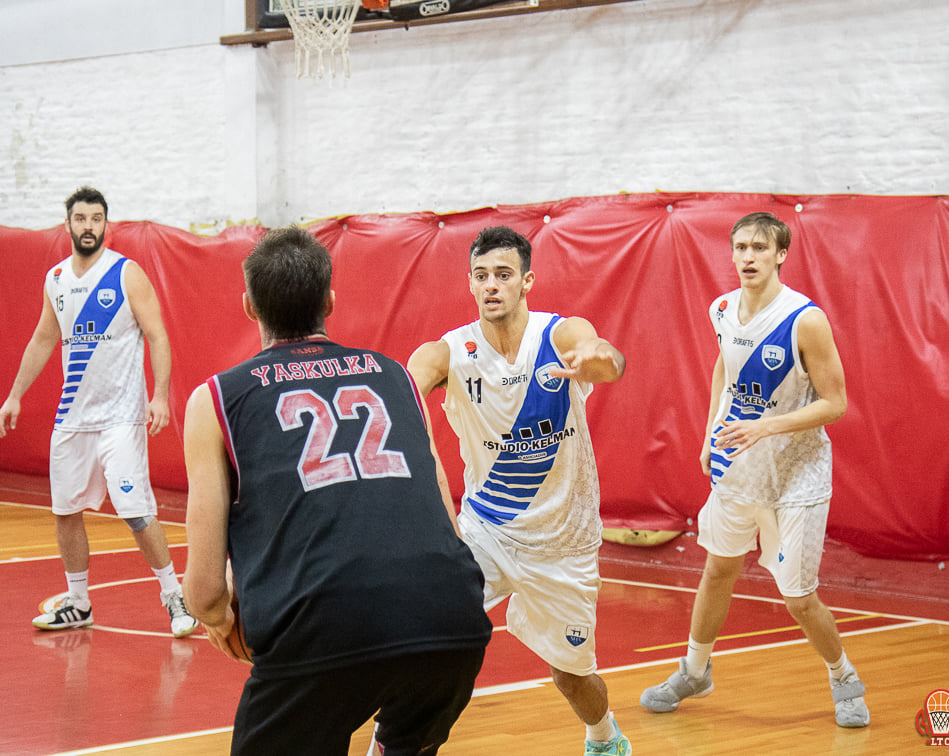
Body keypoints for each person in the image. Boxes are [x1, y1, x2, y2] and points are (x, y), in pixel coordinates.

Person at [181, 226, 492, 756]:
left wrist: (218, 620)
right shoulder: (397, 378)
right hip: (452, 618)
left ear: (249, 306)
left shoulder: (215, 399)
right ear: (329, 300)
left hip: (322, 628)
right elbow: (444, 512)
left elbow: (206, 591)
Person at [407, 225, 631, 756]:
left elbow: (607, 359)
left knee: (571, 677)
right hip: (487, 532)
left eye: (503, 275)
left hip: (566, 544)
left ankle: (606, 738)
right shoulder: (450, 352)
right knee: (427, 636)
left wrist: (597, 359)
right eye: (481, 277)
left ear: (527, 280)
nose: (492, 286)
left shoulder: (559, 335)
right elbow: (407, 379)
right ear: (470, 284)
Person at [639, 211, 869, 728]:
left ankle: (843, 675)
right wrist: (710, 431)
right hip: (738, 467)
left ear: (780, 254)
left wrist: (768, 426)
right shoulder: (722, 309)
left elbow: (835, 403)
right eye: (740, 247)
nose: (747, 257)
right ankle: (694, 670)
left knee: (798, 598)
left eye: (759, 248)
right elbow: (724, 364)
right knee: (718, 569)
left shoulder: (805, 319)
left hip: (796, 478)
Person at [0, 186, 196, 638]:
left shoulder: (126, 274)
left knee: (135, 511)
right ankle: (78, 602)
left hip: (120, 419)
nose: (88, 226)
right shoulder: (56, 280)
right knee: (66, 512)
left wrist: (161, 395)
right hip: (72, 419)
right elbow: (42, 340)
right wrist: (14, 395)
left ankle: (173, 596)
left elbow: (159, 336)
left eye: (96, 218)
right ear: (67, 224)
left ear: (106, 224)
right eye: (81, 218)